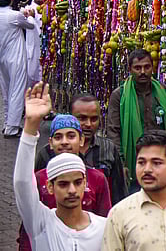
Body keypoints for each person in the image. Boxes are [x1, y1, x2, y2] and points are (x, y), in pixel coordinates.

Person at [14, 83, 107, 251]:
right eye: (63, 184)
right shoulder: (41, 224)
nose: (72, 190)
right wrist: (31, 125)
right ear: (49, 186)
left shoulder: (103, 228)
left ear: (85, 183)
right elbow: (22, 182)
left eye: (77, 183)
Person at [36, 94, 128, 205]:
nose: (88, 124)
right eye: (82, 118)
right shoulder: (46, 154)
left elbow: (118, 194)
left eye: (94, 119)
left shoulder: (108, 149)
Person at [106, 49, 166, 182]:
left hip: (161, 158)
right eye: (137, 68)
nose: (143, 72)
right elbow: (113, 131)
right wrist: (121, 163)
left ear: (153, 67)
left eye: (147, 67)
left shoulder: (162, 92)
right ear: (130, 69)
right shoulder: (120, 96)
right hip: (133, 159)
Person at [0, 0, 34, 137]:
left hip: (1, 58)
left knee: (6, 91)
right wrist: (27, 14)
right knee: (17, 90)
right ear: (11, 0)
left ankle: (7, 122)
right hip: (16, 58)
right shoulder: (15, 16)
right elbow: (31, 26)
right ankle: (12, 128)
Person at [21, 0, 44, 86]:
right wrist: (31, 17)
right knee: (32, 74)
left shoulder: (47, 8)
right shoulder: (28, 9)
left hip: (45, 46)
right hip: (34, 47)